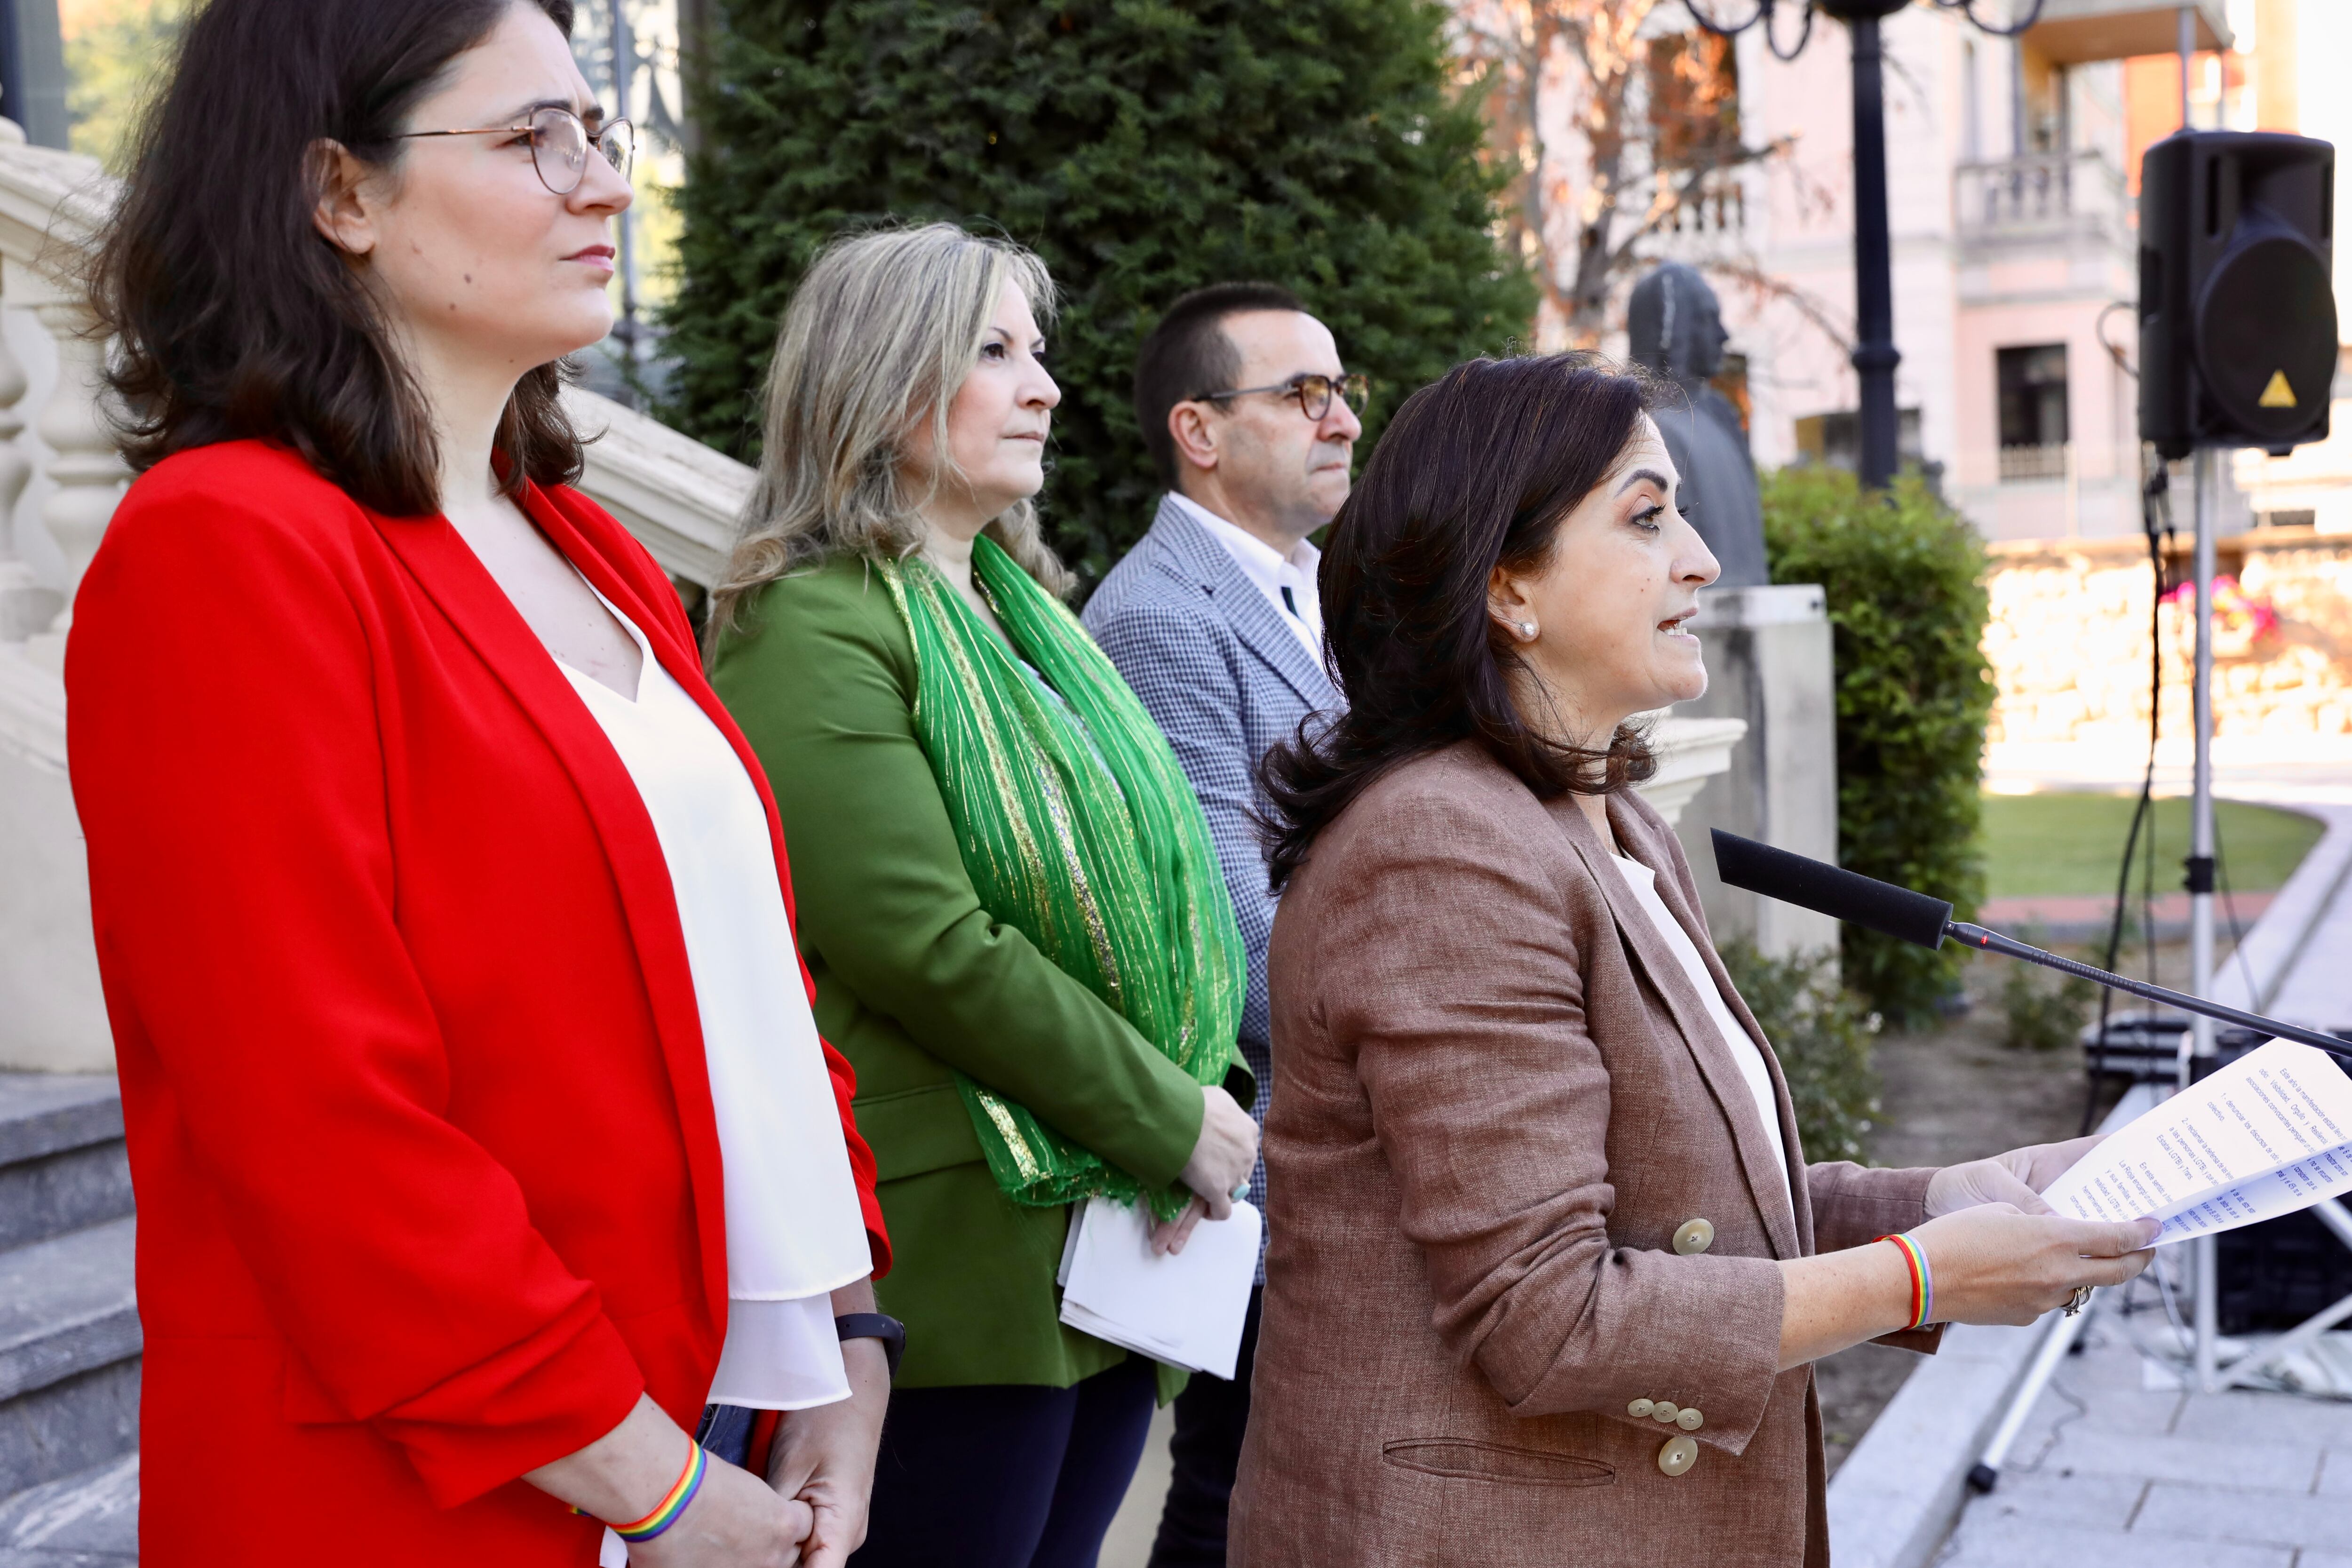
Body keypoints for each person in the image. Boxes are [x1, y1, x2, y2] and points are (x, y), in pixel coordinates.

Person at [67, 3, 893, 1564]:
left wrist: (853, 1341)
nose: (601, 185)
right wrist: (646, 1477)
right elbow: (320, 1123)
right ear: (343, 194)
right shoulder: (226, 546)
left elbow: (754, 987)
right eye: (534, 139)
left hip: (725, 1417)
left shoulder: (595, 553)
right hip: (445, 1481)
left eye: (597, 132)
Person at [1229, 353, 2157, 1568]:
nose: (1702, 559)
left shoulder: (1599, 816)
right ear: (1509, 586)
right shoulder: (1441, 849)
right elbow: (1549, 1314)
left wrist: (1945, 1202)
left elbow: (1683, 1209)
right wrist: (1920, 1278)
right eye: (1647, 517)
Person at [703, 223, 1261, 1568]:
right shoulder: (812, 623)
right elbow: (923, 941)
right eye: (995, 352)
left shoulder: (1032, 615)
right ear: (884, 382)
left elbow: (1155, 893)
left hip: (1116, 1232)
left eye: (1040, 352)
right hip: (959, 1250)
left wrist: (1193, 1103)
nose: (1046, 386)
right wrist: (1168, 1114)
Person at [1081, 282, 1357, 1567]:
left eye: (1342, 387)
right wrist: (1425, 1037)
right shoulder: (1159, 615)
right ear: (1198, 430)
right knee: (1235, 1491)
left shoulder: (1310, 587)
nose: (1341, 417)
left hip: (1326, 1129)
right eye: (1301, 394)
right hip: (1263, 1138)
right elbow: (1234, 931)